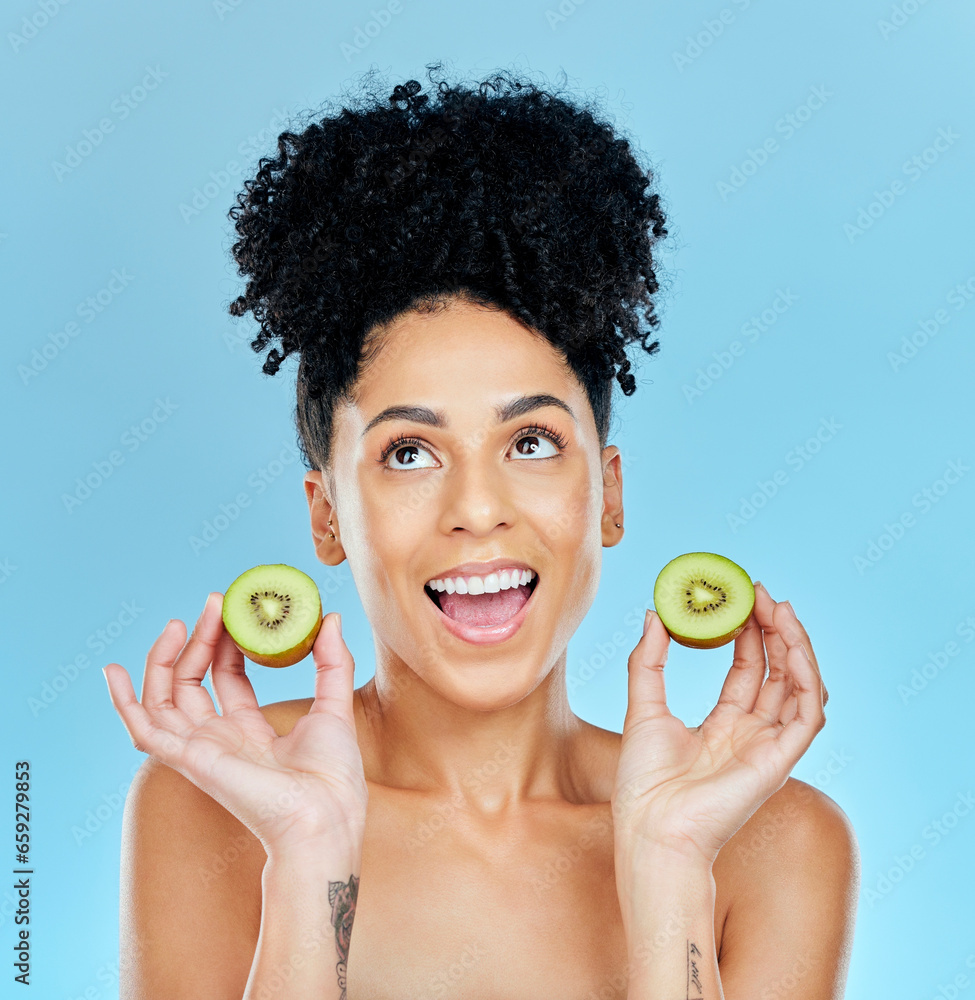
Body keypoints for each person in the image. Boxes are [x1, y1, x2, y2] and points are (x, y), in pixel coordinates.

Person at [101, 65, 860, 999]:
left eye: (531, 441)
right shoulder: (217, 807)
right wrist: (306, 859)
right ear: (326, 517)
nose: (476, 507)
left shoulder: (772, 842)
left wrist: (669, 867)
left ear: (608, 495)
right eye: (410, 453)